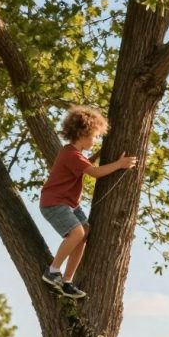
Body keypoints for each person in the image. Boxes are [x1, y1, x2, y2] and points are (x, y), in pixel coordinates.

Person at [39, 105, 137, 299]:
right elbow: (95, 172)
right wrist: (119, 164)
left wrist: (100, 153)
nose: (96, 139)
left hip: (68, 203)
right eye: (94, 135)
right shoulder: (70, 155)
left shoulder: (74, 154)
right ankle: (52, 270)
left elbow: (86, 164)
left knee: (85, 232)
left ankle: (67, 281)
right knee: (77, 232)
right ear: (82, 133)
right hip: (54, 203)